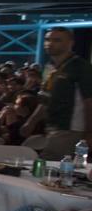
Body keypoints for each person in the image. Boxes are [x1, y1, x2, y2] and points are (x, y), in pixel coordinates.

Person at [22, 27, 92, 159]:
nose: (50, 43)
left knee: (49, 164)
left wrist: (89, 132)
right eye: (47, 39)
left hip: (71, 128)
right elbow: (45, 99)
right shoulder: (49, 67)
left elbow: (89, 101)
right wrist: (31, 122)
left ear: (70, 43)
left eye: (57, 40)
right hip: (52, 127)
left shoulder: (80, 67)